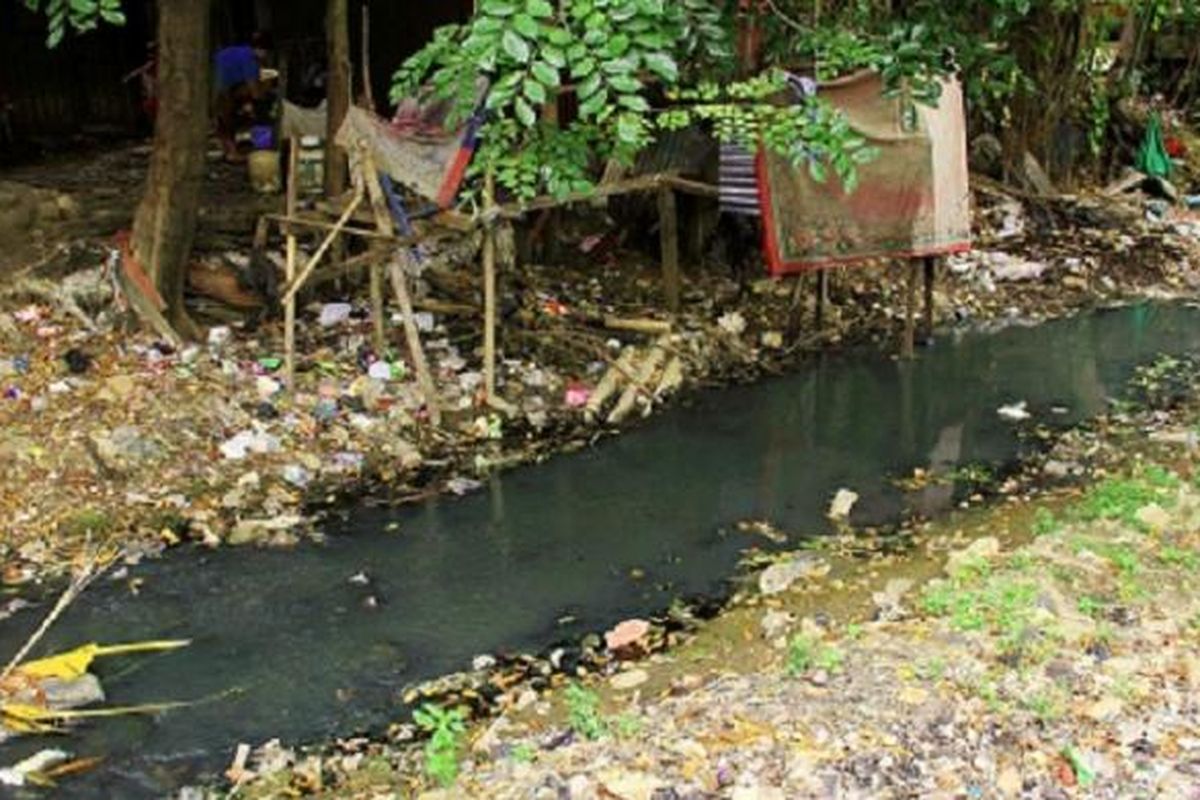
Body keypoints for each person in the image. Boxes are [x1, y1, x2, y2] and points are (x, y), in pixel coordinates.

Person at [214, 32, 272, 162]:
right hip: (221, 86)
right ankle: (232, 153)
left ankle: (228, 150)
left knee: (224, 119)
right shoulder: (249, 59)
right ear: (261, 50)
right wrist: (260, 106)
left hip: (223, 84)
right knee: (226, 119)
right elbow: (253, 88)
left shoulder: (242, 52)